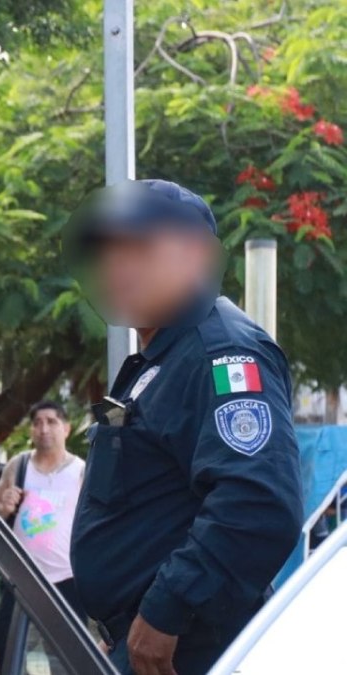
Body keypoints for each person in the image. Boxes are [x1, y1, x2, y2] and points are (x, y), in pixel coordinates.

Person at [68, 180, 302, 675]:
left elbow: (257, 502)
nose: (118, 266)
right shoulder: (165, 353)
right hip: (149, 640)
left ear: (195, 256)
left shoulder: (220, 352)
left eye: (140, 247)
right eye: (110, 251)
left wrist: (164, 612)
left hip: (183, 648)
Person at [0, 400, 87, 674]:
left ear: (66, 428)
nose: (44, 428)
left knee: (65, 656)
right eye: (37, 422)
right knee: (3, 642)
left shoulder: (81, 471)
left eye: (52, 422)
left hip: (66, 579)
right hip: (21, 577)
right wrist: (3, 504)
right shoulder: (19, 466)